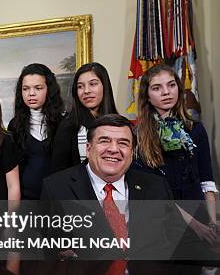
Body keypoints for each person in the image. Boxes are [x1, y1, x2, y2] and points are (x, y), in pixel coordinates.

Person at [41, 114, 186, 260]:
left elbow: (179, 243)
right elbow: (49, 250)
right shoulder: (56, 188)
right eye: (104, 141)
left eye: (123, 143)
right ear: (88, 148)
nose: (114, 149)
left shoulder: (156, 187)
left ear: (131, 152)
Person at [135, 64, 217, 245]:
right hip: (163, 223)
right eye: (157, 88)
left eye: (171, 85)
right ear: (147, 96)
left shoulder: (196, 129)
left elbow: (207, 181)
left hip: (199, 215)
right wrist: (196, 226)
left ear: (178, 89)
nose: (166, 92)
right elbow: (155, 194)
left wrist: (211, 222)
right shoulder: (138, 136)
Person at [7, 63, 65, 200]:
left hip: (59, 200)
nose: (31, 93)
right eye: (25, 89)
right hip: (26, 200)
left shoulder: (64, 122)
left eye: (38, 88)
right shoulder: (15, 125)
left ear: (49, 90)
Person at [51, 63, 118, 173]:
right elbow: (59, 175)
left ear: (105, 86)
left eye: (93, 84)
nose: (86, 91)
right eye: (80, 86)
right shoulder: (68, 126)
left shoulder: (119, 125)